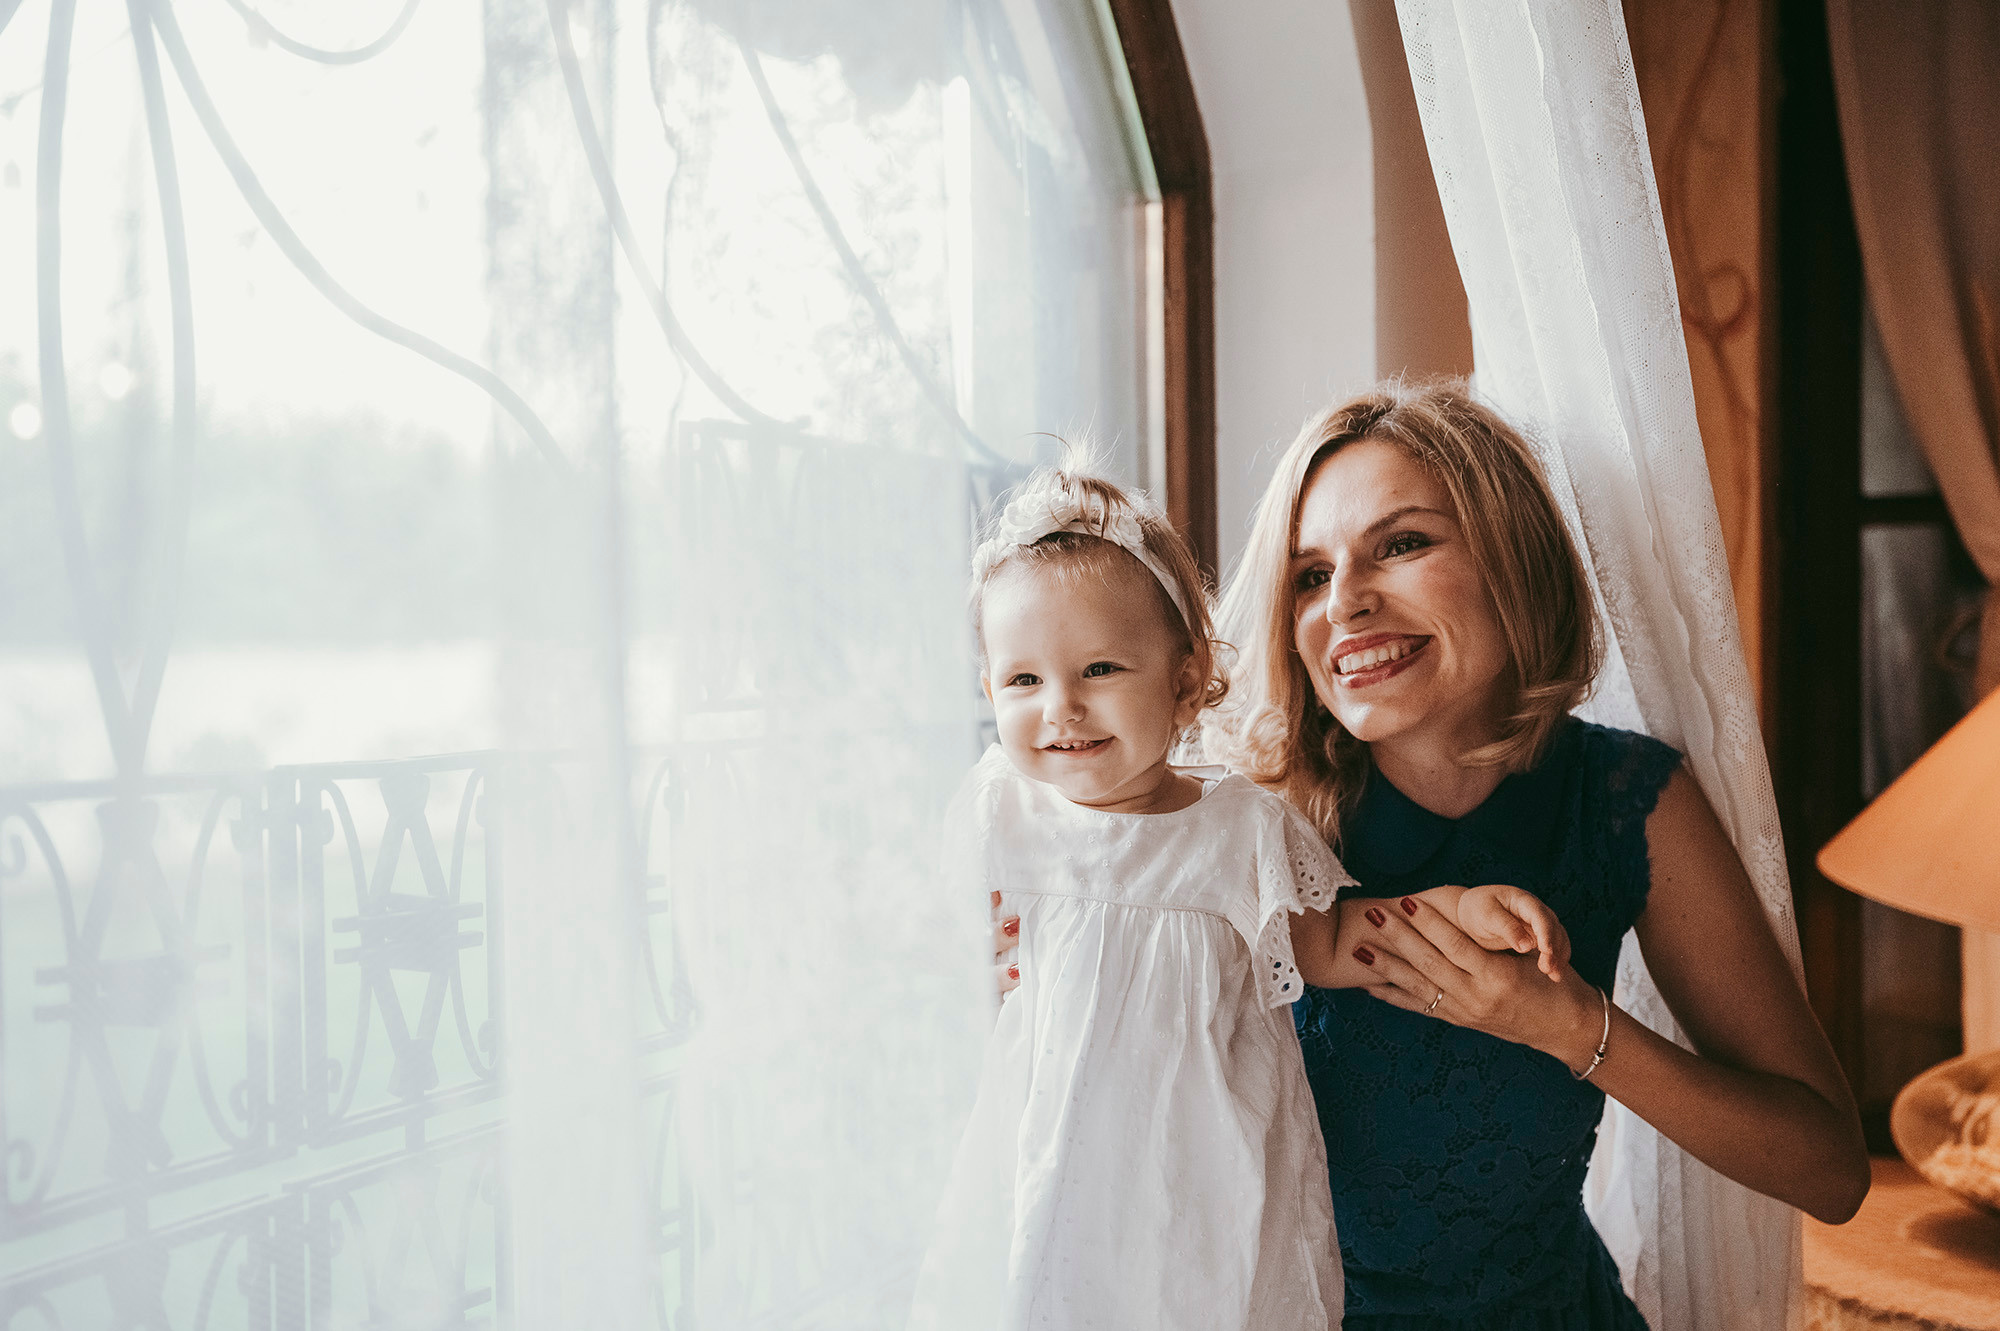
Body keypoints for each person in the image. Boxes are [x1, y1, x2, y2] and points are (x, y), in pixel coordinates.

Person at [1192, 380, 1869, 1329]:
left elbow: (1830, 1168)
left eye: (1401, 544)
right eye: (1309, 574)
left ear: (1512, 559)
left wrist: (1571, 1028)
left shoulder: (1624, 801)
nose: (1344, 601)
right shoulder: (1238, 829)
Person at [915, 457, 1571, 1331]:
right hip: (1045, 1157)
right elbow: (939, 953)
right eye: (1024, 681)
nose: (1061, 708)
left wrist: (1461, 908)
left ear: (1187, 680)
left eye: (1100, 669)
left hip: (1199, 1178)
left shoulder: (1235, 830)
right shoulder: (1002, 809)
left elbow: (1333, 941)